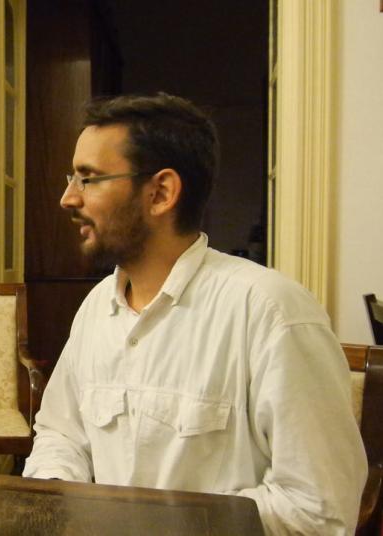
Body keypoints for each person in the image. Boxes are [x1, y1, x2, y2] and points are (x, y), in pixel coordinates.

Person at [21, 94, 367, 534]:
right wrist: (56, 497)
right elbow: (61, 434)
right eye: (72, 178)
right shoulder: (95, 308)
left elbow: (320, 509)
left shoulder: (270, 311)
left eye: (88, 179)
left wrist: (155, 524)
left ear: (161, 193)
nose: (68, 198)